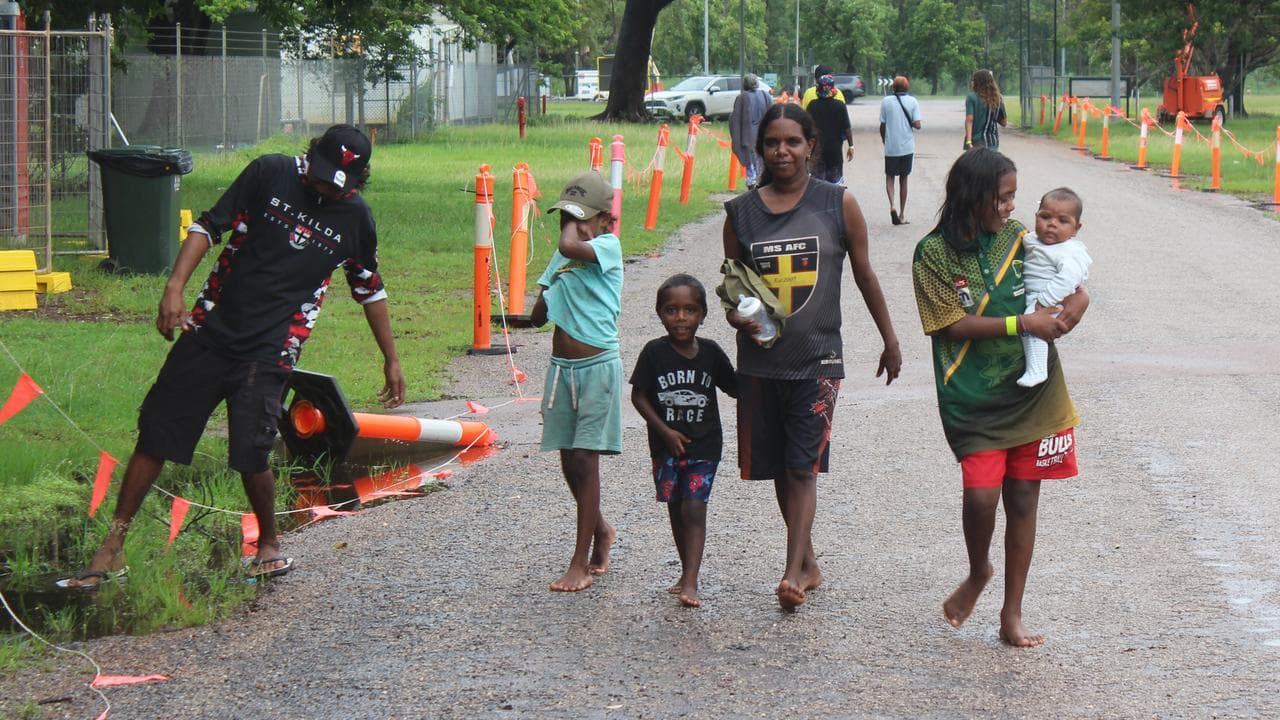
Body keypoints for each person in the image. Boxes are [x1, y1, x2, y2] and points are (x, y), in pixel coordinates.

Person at [61, 124, 405, 589]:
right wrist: (175, 288)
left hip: (272, 348)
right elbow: (208, 225)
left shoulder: (355, 219)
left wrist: (392, 359)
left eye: (336, 183)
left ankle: (269, 543)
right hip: (210, 329)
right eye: (321, 175)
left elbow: (368, 286)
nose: (323, 187)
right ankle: (114, 544)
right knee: (156, 434)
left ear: (358, 181)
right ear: (310, 157)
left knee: (252, 450)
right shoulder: (270, 173)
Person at [722, 102, 901, 610]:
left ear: (810, 146)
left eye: (793, 142)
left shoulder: (836, 204)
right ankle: (810, 559)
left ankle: (792, 571)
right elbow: (735, 287)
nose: (783, 151)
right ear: (760, 149)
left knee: (803, 466)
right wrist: (737, 315)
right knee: (781, 467)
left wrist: (890, 339)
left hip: (818, 359)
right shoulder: (741, 213)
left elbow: (865, 274)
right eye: (773, 142)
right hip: (761, 361)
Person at [910, 147, 1089, 646]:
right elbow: (950, 323)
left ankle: (1012, 614)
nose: (1013, 208)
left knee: (1025, 498)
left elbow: (1066, 272)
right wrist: (1021, 322)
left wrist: (1081, 300)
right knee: (981, 495)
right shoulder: (932, 255)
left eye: (1014, 197)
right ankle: (978, 570)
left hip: (1034, 391)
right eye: (1005, 198)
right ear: (975, 198)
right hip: (971, 396)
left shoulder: (1018, 239)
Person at [529, 170, 623, 593]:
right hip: (561, 371)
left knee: (586, 461)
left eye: (578, 216)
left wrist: (574, 226)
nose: (568, 224)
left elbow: (570, 244)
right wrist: (540, 303)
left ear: (606, 219)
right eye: (564, 215)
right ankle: (601, 530)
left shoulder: (607, 246)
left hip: (597, 369)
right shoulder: (565, 254)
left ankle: (579, 562)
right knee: (570, 462)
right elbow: (540, 307)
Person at [630, 274, 737, 608]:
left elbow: (736, 387)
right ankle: (684, 569)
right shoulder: (653, 353)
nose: (681, 318)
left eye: (690, 310)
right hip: (665, 448)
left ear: (703, 314)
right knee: (676, 508)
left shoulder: (711, 353)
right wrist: (664, 431)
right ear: (659, 313)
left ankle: (691, 579)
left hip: (704, 447)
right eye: (671, 310)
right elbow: (639, 396)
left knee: (694, 506)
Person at [1017, 188, 1091, 387]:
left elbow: (1069, 278)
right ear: (1036, 216)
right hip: (1033, 293)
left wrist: (1045, 300)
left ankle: (1037, 369)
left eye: (1063, 221)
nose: (1051, 224)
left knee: (1031, 325)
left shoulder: (1070, 250)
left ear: (1076, 228)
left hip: (1049, 299)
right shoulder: (1030, 239)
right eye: (1045, 217)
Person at [878, 75, 922, 225]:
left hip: (891, 147)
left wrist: (885, 141)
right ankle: (902, 214)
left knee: (890, 177)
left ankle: (892, 205)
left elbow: (882, 125)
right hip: (907, 146)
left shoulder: (886, 102)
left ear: (894, 87)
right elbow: (917, 125)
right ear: (907, 87)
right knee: (904, 179)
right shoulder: (913, 102)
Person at [806, 72, 854, 185]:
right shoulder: (840, 105)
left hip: (817, 151)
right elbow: (847, 128)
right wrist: (851, 146)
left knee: (817, 183)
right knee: (835, 184)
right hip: (835, 151)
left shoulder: (812, 105)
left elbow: (806, 127)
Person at [729, 74, 772, 188]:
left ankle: (753, 183)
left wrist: (736, 137)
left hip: (748, 135)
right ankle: (761, 181)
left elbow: (735, 120)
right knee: (761, 159)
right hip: (764, 134)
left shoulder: (742, 98)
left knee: (750, 161)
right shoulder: (765, 95)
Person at [965, 69, 1008, 151]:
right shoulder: (998, 98)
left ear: (978, 82)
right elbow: (1004, 123)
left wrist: (969, 142)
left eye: (973, 80)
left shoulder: (971, 97)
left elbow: (969, 120)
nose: (971, 83)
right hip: (993, 141)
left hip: (977, 141)